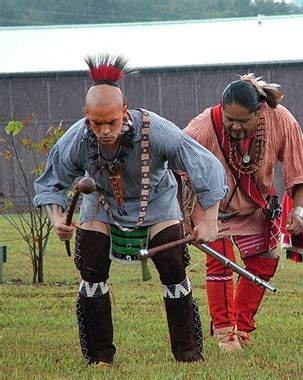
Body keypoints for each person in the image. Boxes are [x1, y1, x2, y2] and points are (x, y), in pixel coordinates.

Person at [33, 54, 228, 365]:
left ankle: (187, 353)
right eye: (98, 123)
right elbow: (50, 183)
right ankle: (100, 357)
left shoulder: (157, 129)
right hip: (102, 204)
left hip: (157, 202)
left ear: (124, 112)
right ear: (87, 117)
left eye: (112, 122)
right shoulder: (79, 138)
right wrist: (58, 219)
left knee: (173, 267)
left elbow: (205, 166)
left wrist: (211, 219)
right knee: (91, 269)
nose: (106, 130)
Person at [183, 74, 303, 351]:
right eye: (229, 119)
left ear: (260, 112)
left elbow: (301, 171)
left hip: (255, 206)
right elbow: (176, 160)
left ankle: (241, 327)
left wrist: (300, 211)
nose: (234, 126)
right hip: (210, 208)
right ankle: (224, 334)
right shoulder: (205, 123)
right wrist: (185, 220)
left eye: (243, 121)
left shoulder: (282, 121)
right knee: (220, 262)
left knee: (265, 263)